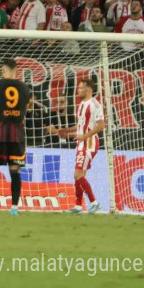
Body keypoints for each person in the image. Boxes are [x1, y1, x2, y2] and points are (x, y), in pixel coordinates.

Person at [0, 58, 31, 216]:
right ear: (16, 70)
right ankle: (14, 208)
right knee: (15, 170)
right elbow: (26, 110)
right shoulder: (25, 88)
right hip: (16, 132)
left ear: (3, 71)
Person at [46, 79, 105, 214]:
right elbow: (80, 127)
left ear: (89, 90)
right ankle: (78, 206)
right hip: (82, 142)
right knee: (78, 175)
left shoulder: (95, 104)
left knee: (78, 175)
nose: (78, 90)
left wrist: (85, 136)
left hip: (89, 142)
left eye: (81, 88)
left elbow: (101, 125)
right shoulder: (82, 105)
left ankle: (95, 203)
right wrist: (63, 131)